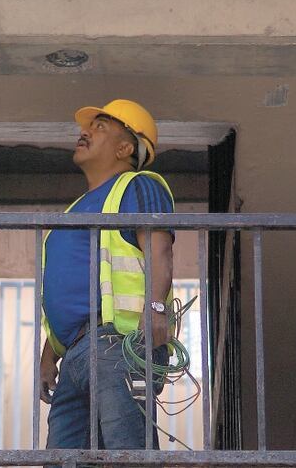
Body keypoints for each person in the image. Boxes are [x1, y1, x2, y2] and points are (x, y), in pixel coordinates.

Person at [40, 99, 175, 450]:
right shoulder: (73, 210)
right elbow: (67, 288)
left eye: (100, 126)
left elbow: (158, 249)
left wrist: (157, 308)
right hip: (74, 353)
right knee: (63, 458)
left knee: (127, 451)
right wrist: (48, 355)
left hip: (119, 343)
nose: (85, 132)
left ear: (125, 147)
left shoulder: (138, 186)